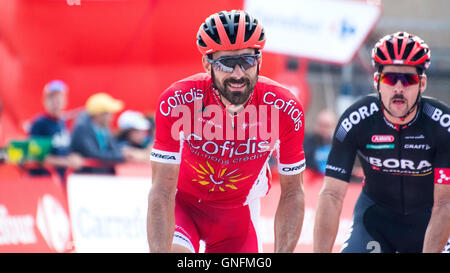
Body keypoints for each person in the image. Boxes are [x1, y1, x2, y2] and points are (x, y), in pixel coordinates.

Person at [148, 10, 306, 253]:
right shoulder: (178, 100)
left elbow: (293, 193)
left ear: (260, 61)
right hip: (182, 206)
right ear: (206, 64)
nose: (238, 74)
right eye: (226, 63)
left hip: (237, 216)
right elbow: (161, 190)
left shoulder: (284, 108)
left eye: (247, 61)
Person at [313, 32, 450, 253]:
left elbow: (445, 204)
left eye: (408, 80)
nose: (398, 88)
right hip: (375, 222)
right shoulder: (356, 119)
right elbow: (331, 194)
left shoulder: (442, 124)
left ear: (421, 83)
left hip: (431, 221)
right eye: (389, 79)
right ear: (377, 81)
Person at [70, 92, 142, 174]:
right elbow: (93, 154)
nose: (112, 117)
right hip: (86, 177)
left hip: (101, 176)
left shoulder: (104, 129)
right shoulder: (82, 130)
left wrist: (125, 153)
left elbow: (113, 149)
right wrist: (122, 156)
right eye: (109, 113)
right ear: (99, 115)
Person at [28, 80, 84, 182]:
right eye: (52, 98)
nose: (56, 101)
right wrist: (66, 162)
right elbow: (37, 156)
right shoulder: (40, 123)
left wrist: (73, 157)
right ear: (45, 101)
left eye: (59, 97)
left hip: (61, 180)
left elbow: (63, 149)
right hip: (43, 179)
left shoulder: (62, 123)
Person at [303, 109, 337, 175]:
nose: (323, 129)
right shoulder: (308, 142)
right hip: (313, 179)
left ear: (334, 127)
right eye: (320, 125)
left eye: (327, 126)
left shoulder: (340, 143)